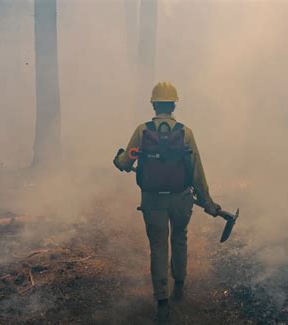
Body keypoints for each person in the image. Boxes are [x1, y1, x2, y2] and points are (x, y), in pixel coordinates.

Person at [113, 81, 221, 322]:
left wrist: (119, 159)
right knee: (179, 238)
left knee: (158, 247)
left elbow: (125, 163)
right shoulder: (186, 133)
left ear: (153, 104)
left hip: (152, 201)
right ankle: (179, 287)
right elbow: (196, 172)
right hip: (181, 199)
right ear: (173, 105)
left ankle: (162, 302)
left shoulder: (142, 131)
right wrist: (207, 202)